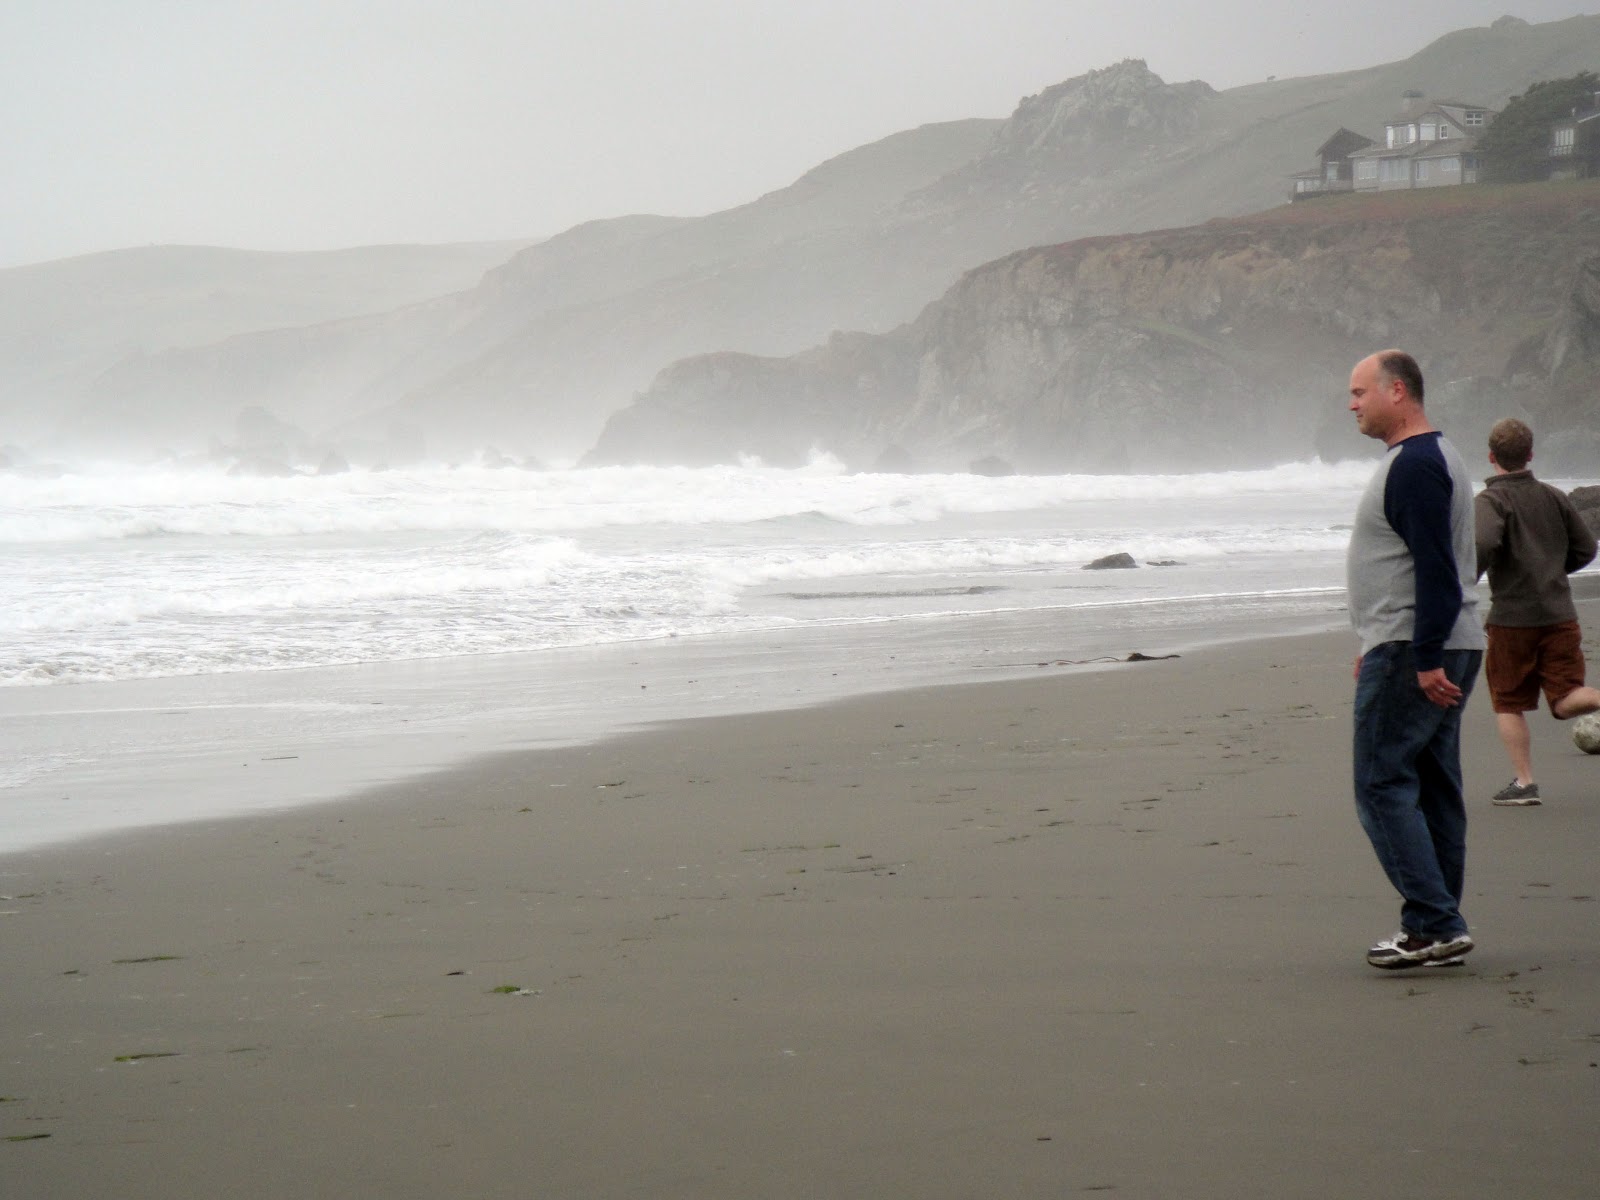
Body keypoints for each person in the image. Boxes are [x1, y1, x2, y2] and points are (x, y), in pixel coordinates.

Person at [1345, 350, 1486, 969]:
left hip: (1420, 647)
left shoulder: (1417, 464)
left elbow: (1435, 570)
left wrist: (1420, 654)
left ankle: (1433, 921)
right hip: (1425, 641)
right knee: (1431, 786)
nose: (1351, 405)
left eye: (1358, 392)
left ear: (1396, 391)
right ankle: (1436, 927)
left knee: (1380, 783)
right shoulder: (1434, 457)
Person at [1474, 417, 1600, 806]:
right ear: (1530, 455)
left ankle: (1525, 783)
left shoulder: (1491, 500)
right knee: (1565, 698)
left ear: (1491, 457)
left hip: (1512, 618)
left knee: (1508, 700)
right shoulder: (1553, 496)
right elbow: (1586, 548)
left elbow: (1481, 542)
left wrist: (1468, 577)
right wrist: (1551, 570)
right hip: (1559, 612)